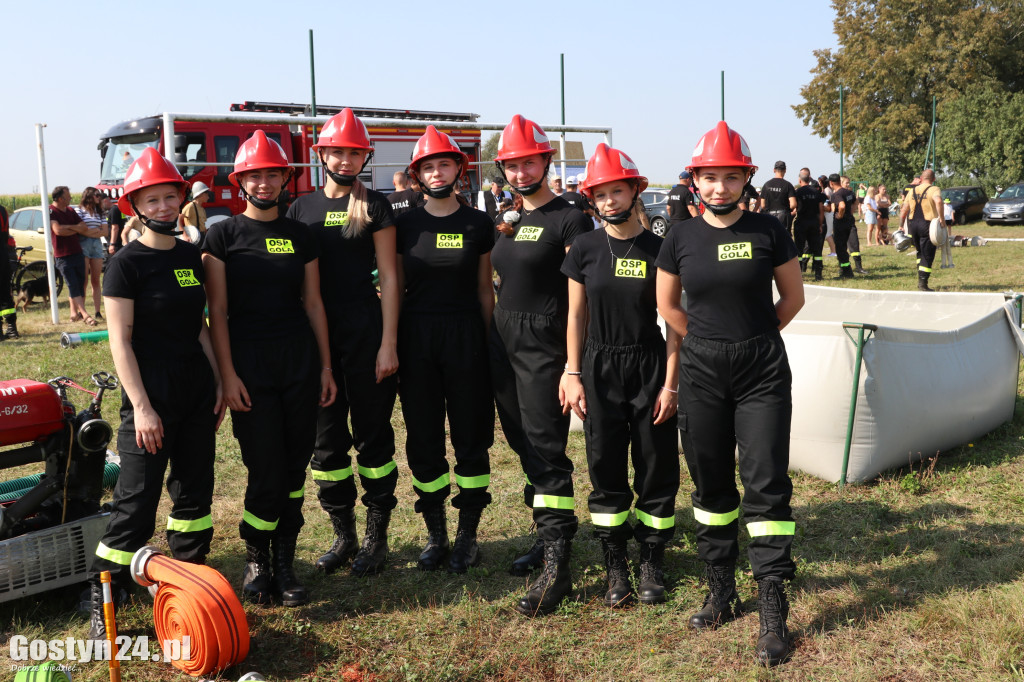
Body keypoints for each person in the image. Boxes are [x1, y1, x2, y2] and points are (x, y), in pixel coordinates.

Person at [656, 121, 803, 667]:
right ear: (696, 181)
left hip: (762, 370)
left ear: (747, 178)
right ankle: (721, 589)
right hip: (701, 372)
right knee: (712, 483)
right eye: (709, 178)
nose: (719, 187)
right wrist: (709, 343)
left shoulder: (770, 230)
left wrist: (754, 339)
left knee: (765, 486)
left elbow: (792, 298)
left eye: (730, 177)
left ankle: (771, 607)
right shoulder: (680, 235)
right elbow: (668, 305)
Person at [88, 148, 224, 639]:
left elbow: (202, 327)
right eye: (154, 199)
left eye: (172, 196)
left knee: (194, 490)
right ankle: (104, 604)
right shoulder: (125, 265)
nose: (165, 206)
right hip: (150, 391)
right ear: (135, 206)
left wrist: (218, 382)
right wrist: (142, 408)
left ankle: (187, 586)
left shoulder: (192, 256)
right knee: (136, 501)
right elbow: (119, 342)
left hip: (195, 387)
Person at [203, 130, 337, 607]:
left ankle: (285, 560)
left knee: (297, 464)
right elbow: (216, 313)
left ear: (285, 178)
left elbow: (314, 303)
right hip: (249, 364)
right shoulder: (221, 236)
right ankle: (257, 560)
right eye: (254, 175)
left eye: (272, 174)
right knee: (265, 467)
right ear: (241, 181)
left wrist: (324, 366)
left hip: (299, 360)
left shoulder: (302, 235)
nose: (264, 182)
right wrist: (229, 375)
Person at [561, 144, 680, 608]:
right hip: (598, 365)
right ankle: (615, 563)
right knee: (605, 463)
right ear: (590, 199)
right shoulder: (585, 248)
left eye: (618, 190)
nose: (609, 200)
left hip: (649, 363)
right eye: (601, 193)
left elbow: (673, 321)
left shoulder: (660, 249)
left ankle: (652, 558)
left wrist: (671, 383)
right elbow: (575, 316)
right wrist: (573, 372)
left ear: (636, 190)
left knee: (657, 464)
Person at [286, 109, 400, 579]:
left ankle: (376, 537)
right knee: (327, 443)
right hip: (315, 337)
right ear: (322, 154)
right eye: (338, 151)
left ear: (364, 156)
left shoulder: (376, 206)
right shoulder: (300, 209)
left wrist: (388, 342)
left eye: (355, 152)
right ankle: (343, 535)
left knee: (373, 436)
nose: (347, 159)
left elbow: (391, 278)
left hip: (366, 332)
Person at [489, 114, 590, 616]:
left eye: (529, 161)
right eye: (511, 164)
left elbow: (580, 300)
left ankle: (558, 566)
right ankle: (543, 534)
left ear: (546, 161)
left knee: (547, 449)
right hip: (503, 341)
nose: (520, 171)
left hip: (544, 345)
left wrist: (573, 366)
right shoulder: (510, 218)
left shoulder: (569, 217)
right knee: (523, 442)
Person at [396, 126, 495, 574]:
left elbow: (484, 289)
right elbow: (393, 286)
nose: (437, 172)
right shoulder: (403, 224)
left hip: (465, 336)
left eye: (444, 163)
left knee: (472, 436)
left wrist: (487, 340)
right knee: (423, 437)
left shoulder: (478, 223)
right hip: (415, 338)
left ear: (460, 168)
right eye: (428, 166)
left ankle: (468, 536)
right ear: (417, 174)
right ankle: (436, 534)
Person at [50, 186, 103, 325]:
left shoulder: (71, 210)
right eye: (68, 196)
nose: (71, 198)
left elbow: (83, 227)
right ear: (61, 198)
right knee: (73, 284)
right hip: (63, 255)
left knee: (80, 284)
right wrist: (75, 228)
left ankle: (74, 314)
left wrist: (69, 227)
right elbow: (58, 231)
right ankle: (85, 315)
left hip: (77, 252)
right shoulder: (51, 211)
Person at [898, 169, 947, 291]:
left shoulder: (912, 190)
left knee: (920, 251)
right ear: (933, 179)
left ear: (921, 179)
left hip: (912, 225)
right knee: (928, 254)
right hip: (927, 225)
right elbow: (939, 201)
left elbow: (904, 209)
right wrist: (942, 219)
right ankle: (923, 284)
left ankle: (920, 277)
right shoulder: (934, 189)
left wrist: (900, 225)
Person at [76, 187, 108, 320]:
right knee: (83, 279)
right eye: (96, 195)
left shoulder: (100, 212)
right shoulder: (79, 210)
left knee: (96, 279)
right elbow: (80, 229)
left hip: (96, 245)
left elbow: (105, 231)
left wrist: (91, 231)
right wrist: (94, 230)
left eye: (99, 195)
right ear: (89, 195)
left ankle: (97, 311)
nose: (99, 197)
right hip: (83, 244)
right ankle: (82, 311)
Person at [793, 172, 826, 280]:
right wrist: (820, 224)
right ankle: (818, 274)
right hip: (814, 223)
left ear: (799, 180)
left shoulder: (797, 192)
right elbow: (821, 209)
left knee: (799, 250)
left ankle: (798, 274)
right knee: (817, 250)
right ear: (809, 180)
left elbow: (794, 207)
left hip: (801, 223)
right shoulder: (816, 192)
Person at [827, 174, 857, 277]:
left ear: (831, 183)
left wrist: (840, 215)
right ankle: (844, 270)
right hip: (849, 222)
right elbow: (855, 201)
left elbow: (842, 205)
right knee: (843, 246)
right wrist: (850, 212)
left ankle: (847, 271)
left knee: (840, 248)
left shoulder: (837, 194)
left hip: (841, 224)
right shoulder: (848, 192)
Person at [757, 161, 797, 236]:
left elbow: (762, 205)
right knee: (784, 239)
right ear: (785, 170)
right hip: (784, 216)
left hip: (769, 215)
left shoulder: (766, 185)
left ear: (774, 170)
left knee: (770, 237)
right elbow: (793, 204)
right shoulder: (788, 185)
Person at [0, 204, 17, 339]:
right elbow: (5, 234)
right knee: (5, 292)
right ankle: (12, 328)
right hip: (3, 254)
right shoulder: (2, 210)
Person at [666, 171, 698, 235]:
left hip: (673, 224)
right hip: (685, 224)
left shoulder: (672, 191)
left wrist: (673, 218)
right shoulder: (686, 192)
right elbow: (691, 208)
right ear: (688, 179)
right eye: (691, 180)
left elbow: (668, 208)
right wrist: (698, 221)